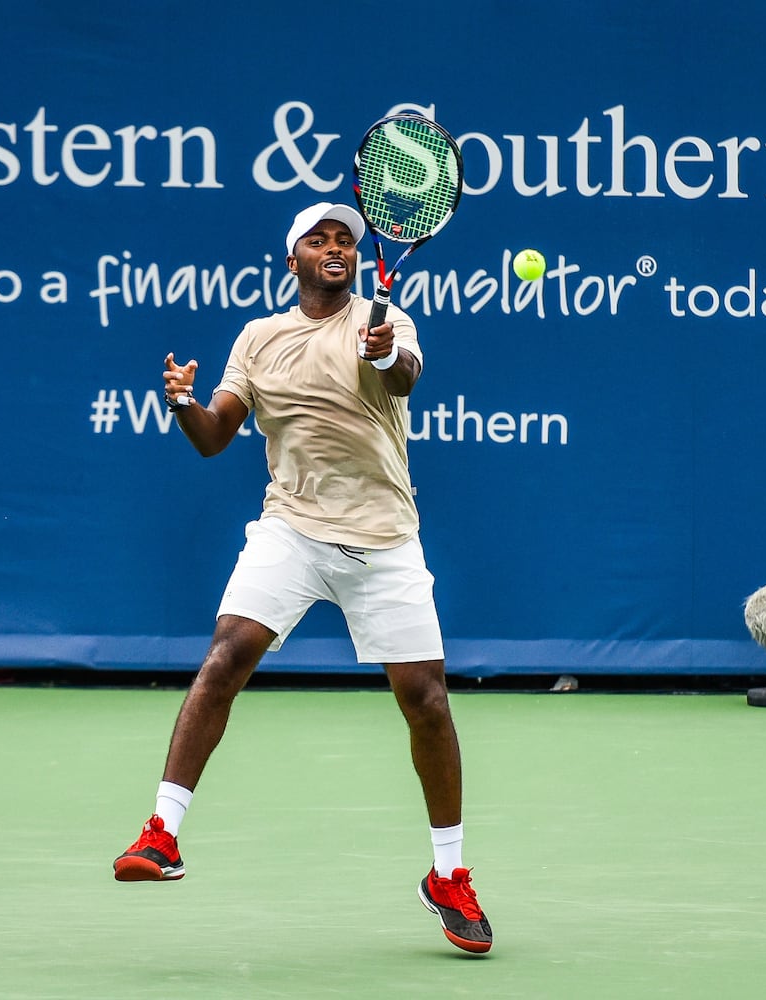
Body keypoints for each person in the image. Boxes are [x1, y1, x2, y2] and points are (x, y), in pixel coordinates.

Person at [113, 202, 492, 955]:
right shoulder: (258, 337)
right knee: (226, 653)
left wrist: (383, 350)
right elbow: (216, 436)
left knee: (426, 702)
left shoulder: (389, 323)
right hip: (291, 527)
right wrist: (185, 403)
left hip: (384, 538)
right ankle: (161, 834)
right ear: (292, 261)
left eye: (344, 240)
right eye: (317, 240)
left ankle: (447, 876)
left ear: (355, 260)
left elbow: (404, 377)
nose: (334, 248)